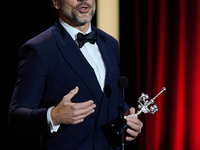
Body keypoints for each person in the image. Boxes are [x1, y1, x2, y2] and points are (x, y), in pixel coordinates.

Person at [8, 0, 143, 149]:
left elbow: (112, 101)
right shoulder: (39, 49)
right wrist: (53, 116)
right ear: (56, 3)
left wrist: (128, 121)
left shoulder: (110, 43)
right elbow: (16, 117)